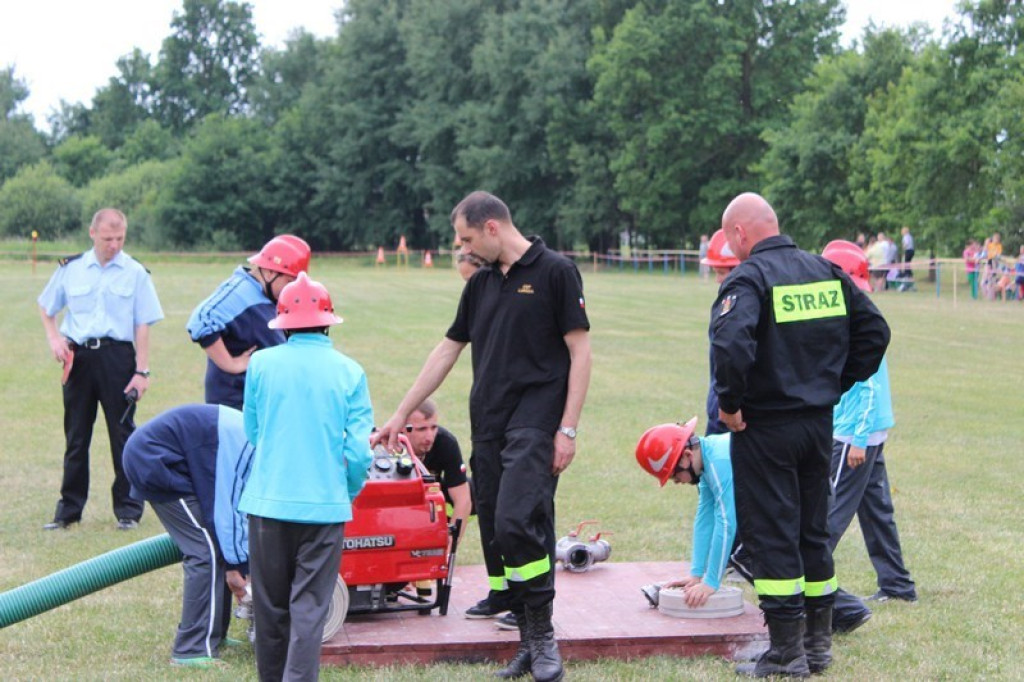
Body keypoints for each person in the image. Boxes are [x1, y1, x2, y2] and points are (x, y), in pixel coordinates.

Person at [371, 191, 591, 682]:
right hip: (488, 422)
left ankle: (542, 638)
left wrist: (568, 429)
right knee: (499, 528)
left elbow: (580, 352)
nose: (463, 248)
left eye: (467, 237)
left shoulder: (555, 271)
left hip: (537, 419)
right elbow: (446, 352)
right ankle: (530, 643)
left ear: (492, 227)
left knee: (516, 520)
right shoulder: (481, 285)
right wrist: (400, 414)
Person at [711, 192, 890, 677]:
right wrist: (832, 383)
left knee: (773, 535)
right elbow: (875, 331)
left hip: (765, 425)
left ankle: (786, 652)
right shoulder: (825, 271)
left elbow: (730, 343)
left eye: (729, 239)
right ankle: (816, 648)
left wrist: (730, 405)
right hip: (817, 425)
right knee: (812, 532)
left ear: (740, 233)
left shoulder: (750, 277)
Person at [241, 272, 374, 681]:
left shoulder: (261, 364)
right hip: (324, 509)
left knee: (270, 607)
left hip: (267, 505)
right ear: (327, 321)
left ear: (283, 325)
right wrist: (346, 490)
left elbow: (254, 431)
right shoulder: (350, 372)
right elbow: (357, 451)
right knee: (310, 608)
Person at [38, 208, 164, 531]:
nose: (114, 245)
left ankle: (128, 510)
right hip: (79, 358)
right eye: (108, 238)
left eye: (120, 238)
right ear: (92, 234)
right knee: (76, 436)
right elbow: (47, 305)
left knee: (123, 436)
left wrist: (142, 371)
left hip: (118, 358)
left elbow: (142, 324)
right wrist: (54, 338)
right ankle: (68, 511)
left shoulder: (135, 272)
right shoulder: (72, 269)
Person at [122, 404, 255, 668]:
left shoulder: (254, 444)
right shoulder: (246, 448)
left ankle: (213, 636)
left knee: (216, 549)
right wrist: (237, 567)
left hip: (175, 460)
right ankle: (190, 650)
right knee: (204, 553)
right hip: (155, 461)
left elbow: (241, 512)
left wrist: (240, 563)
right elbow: (222, 509)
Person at [186, 235, 311, 409]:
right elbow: (200, 320)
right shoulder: (240, 291)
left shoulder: (270, 294)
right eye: (289, 281)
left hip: (264, 403)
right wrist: (231, 364)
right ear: (269, 272)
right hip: (236, 404)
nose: (292, 289)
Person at [635, 417, 735, 609]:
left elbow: (727, 521)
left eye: (674, 475)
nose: (677, 482)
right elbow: (705, 516)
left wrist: (711, 582)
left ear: (687, 455)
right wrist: (696, 575)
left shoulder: (718, 463)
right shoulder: (706, 461)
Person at [404, 398, 473, 538]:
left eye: (433, 427)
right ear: (403, 428)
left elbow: (463, 500)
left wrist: (449, 545)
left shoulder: (445, 442)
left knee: (476, 491)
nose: (430, 437)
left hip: (431, 494)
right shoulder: (388, 445)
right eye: (421, 429)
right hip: (402, 501)